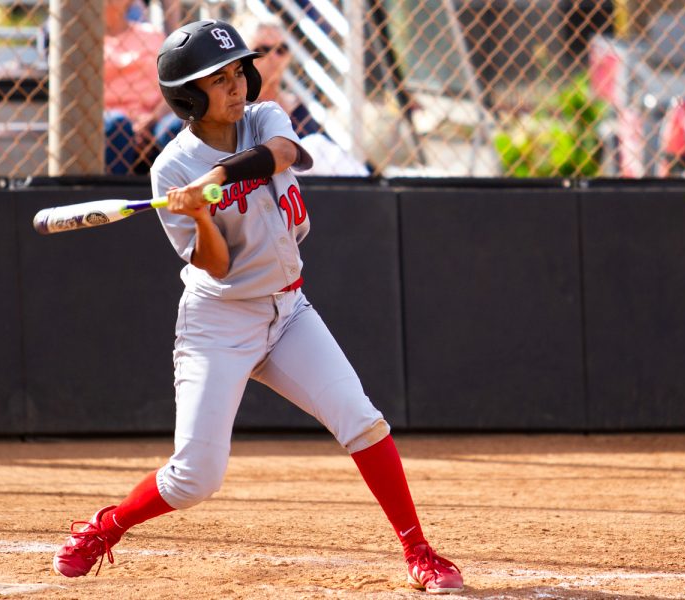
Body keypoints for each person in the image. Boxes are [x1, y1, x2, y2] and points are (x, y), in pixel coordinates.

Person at [51, 20, 463, 595]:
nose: (237, 85)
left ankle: (419, 551)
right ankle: (107, 526)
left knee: (361, 420)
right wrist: (197, 212)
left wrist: (219, 178)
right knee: (196, 478)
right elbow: (216, 266)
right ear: (188, 96)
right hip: (220, 322)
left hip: (289, 310)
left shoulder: (263, 118)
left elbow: (281, 154)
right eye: (217, 80)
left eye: (236, 71)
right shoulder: (172, 169)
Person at [236, 13, 370, 176]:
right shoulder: (236, 110)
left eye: (281, 49)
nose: (273, 57)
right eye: (262, 50)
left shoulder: (300, 108)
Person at [104, 0, 182, 174]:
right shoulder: (89, 42)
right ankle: (112, 191)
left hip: (154, 117)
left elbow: (173, 82)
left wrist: (152, 119)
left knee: (178, 126)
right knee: (117, 125)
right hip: (108, 117)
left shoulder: (151, 35)